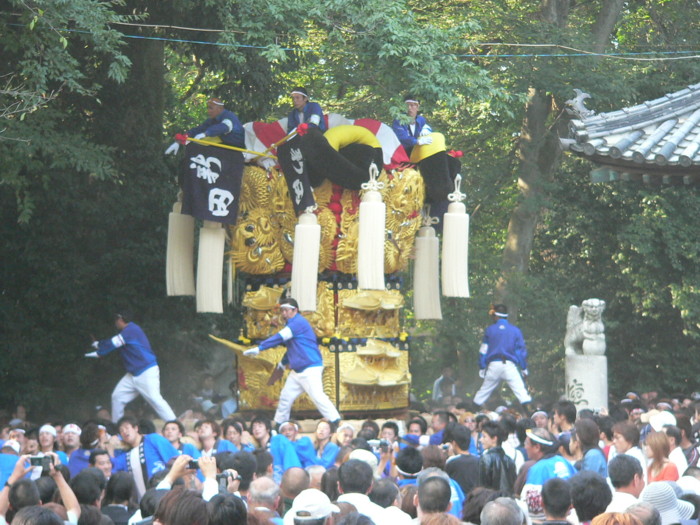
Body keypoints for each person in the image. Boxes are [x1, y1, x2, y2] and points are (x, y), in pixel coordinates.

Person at [243, 297, 341, 426]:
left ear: (295, 310)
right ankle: (279, 424)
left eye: (286, 310)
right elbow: (290, 349)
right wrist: (281, 366)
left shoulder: (298, 322)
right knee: (285, 397)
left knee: (317, 396)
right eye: (282, 311)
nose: (283, 313)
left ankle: (335, 421)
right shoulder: (291, 325)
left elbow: (280, 337)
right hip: (298, 371)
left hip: (310, 367)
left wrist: (259, 348)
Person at [86, 311, 177, 423]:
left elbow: (114, 343)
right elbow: (113, 342)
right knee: (117, 397)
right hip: (132, 374)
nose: (115, 322)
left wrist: (99, 351)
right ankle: (117, 427)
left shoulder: (132, 330)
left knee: (155, 399)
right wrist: (99, 345)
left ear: (120, 319)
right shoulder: (128, 331)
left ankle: (175, 424)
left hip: (146, 371)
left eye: (116, 319)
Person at [473, 305, 532, 410]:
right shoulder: (515, 331)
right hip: (509, 365)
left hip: (494, 365)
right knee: (521, 392)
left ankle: (471, 412)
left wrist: (482, 366)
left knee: (483, 392)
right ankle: (531, 417)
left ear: (496, 316)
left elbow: (483, 350)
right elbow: (520, 351)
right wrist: (523, 367)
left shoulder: (489, 330)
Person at [165, 98, 245, 155]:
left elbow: (224, 127)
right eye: (208, 108)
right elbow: (198, 130)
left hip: (236, 148)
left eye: (211, 108)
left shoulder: (229, 116)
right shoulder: (212, 120)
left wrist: (205, 134)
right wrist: (179, 141)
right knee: (198, 142)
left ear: (219, 108)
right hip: (224, 145)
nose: (208, 111)